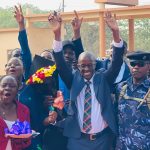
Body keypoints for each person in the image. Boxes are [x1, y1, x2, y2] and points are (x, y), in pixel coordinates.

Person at [50, 11, 124, 150]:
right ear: (77, 66)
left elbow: (117, 62)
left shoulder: (104, 79)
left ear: (96, 65)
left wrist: (115, 32)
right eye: (83, 66)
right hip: (78, 140)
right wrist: (57, 34)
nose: (86, 69)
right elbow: (60, 63)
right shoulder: (73, 79)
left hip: (102, 140)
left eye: (90, 65)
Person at [116, 51, 150, 150]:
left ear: (148, 67)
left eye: (140, 64)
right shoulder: (121, 88)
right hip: (122, 146)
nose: (136, 67)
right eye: (133, 64)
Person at [0, 75, 31, 150]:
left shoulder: (24, 110)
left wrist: (25, 136)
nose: (7, 88)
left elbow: (27, 139)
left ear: (17, 90)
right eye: (4, 85)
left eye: (12, 86)